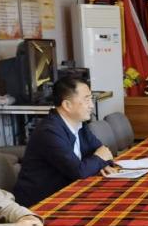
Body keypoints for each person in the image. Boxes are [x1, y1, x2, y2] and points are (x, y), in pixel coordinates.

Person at [13, 77, 117, 206]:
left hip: (69, 192)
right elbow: (79, 171)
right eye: (87, 100)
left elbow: (103, 151)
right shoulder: (49, 132)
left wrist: (102, 163)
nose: (91, 105)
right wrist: (99, 159)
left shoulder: (79, 124)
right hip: (42, 203)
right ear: (67, 105)